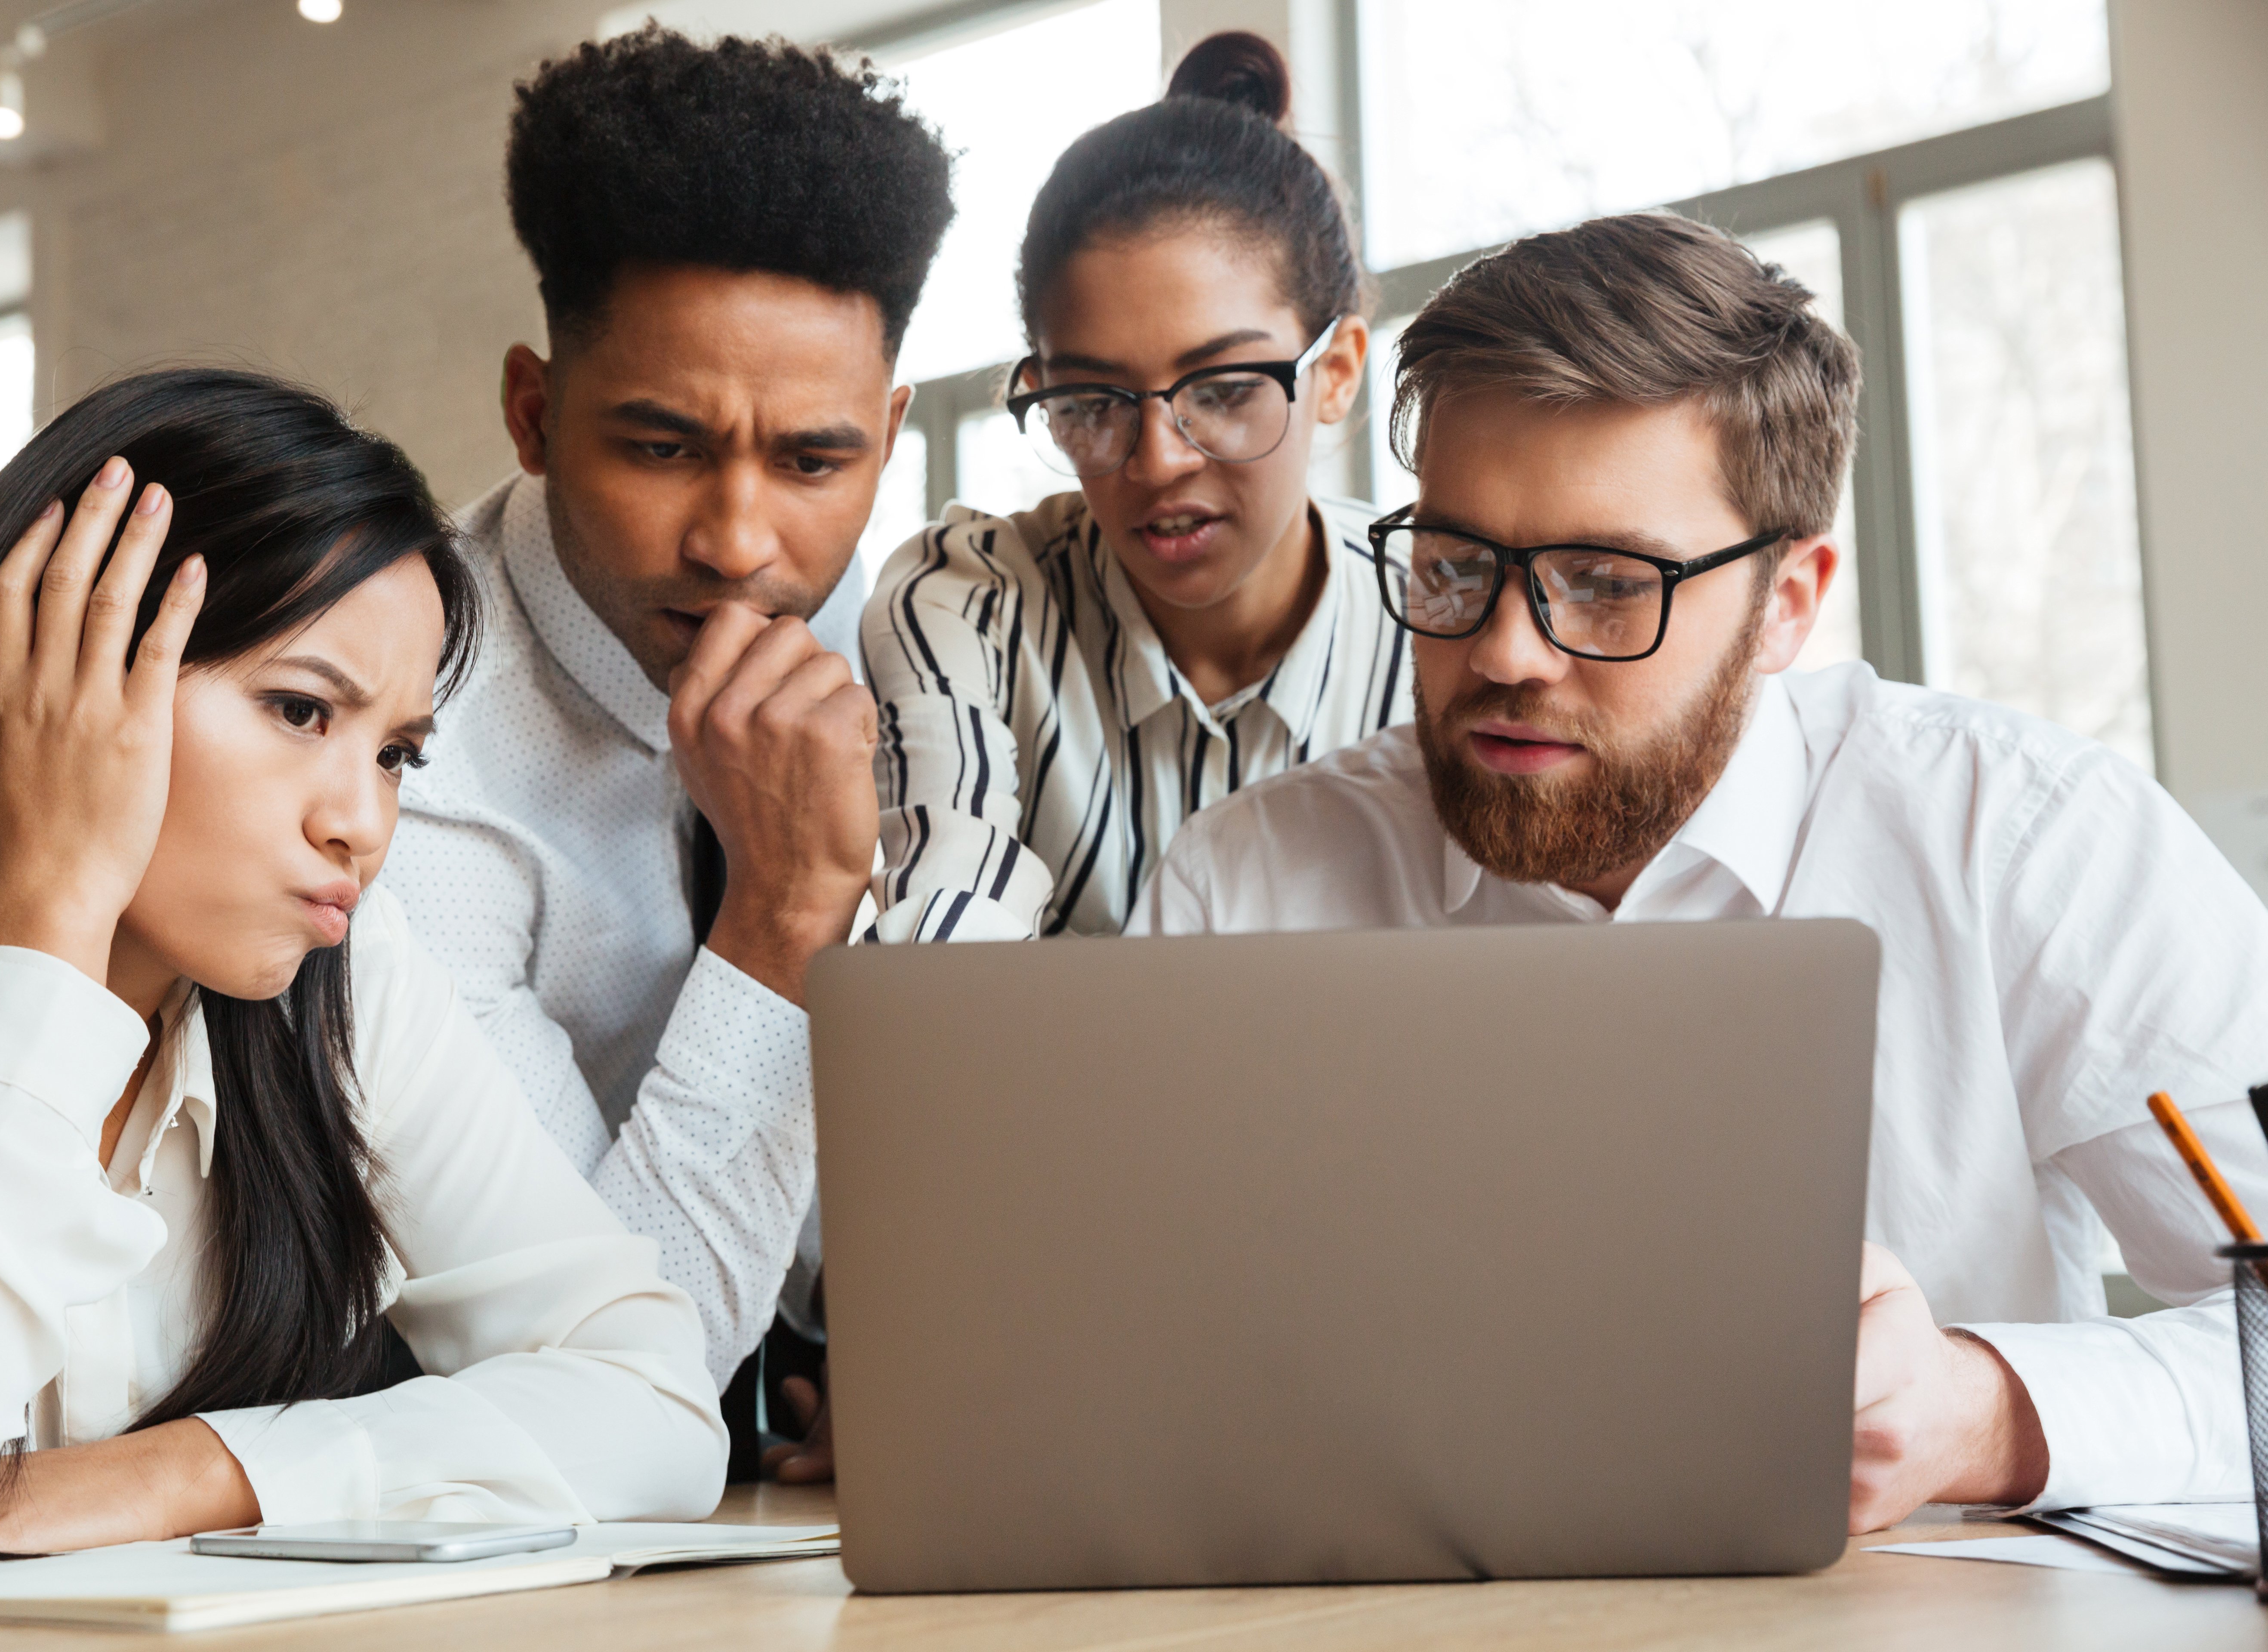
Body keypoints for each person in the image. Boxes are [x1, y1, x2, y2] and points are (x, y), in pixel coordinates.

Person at [1128, 211, 2268, 1529]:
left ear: (1789, 602)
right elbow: (1140, 1356)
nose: (1505, 652)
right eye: (1454, 568)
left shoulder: (2025, 840)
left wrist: (1983, 1413)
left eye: (1606, 582)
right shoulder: (1243, 886)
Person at [0, 369, 734, 1584]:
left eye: (396, 753)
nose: (363, 824)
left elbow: (657, 1405)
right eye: (300, 710)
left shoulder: (346, 977)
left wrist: (199, 1470)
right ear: (47, 675)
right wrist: (55, 896)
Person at [381, 26, 951, 1483]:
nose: (743, 544)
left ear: (891, 436)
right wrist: (780, 919)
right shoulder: (400, 753)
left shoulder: (924, 663)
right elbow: (599, 1384)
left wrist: (906, 1335)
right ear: (532, 412)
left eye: (816, 462)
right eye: (662, 448)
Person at [862, 31, 1399, 944]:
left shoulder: (1444, 617)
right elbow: (942, 956)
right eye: (1093, 401)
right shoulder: (968, 606)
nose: (1156, 463)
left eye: (1224, 392)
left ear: (1339, 370)